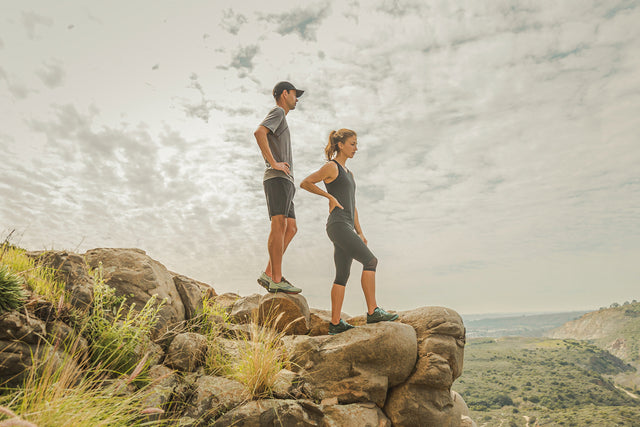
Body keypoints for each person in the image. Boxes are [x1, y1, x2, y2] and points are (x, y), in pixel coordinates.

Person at [300, 128, 398, 334]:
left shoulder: (350, 174)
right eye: (352, 144)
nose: (356, 148)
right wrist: (330, 198)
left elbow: (352, 205)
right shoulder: (331, 167)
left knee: (342, 275)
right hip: (337, 225)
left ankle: (335, 323)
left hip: (346, 225)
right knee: (370, 261)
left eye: (356, 144)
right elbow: (305, 182)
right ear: (340, 145)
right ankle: (373, 311)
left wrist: (360, 232)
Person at [254, 81, 304, 294]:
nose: (297, 98)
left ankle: (268, 273)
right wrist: (273, 163)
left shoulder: (281, 117)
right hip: (276, 177)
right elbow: (259, 133)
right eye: (294, 94)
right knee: (279, 224)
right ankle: (276, 278)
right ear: (285, 94)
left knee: (291, 228)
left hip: (286, 180)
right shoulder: (278, 112)